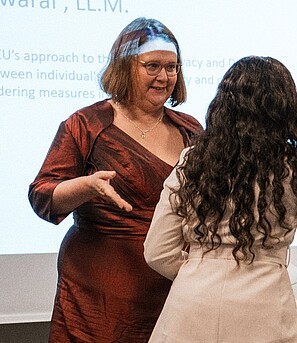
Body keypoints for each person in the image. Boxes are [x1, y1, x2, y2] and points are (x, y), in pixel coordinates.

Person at [143, 55, 297, 343]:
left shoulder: (192, 160)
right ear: (285, 109)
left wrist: (200, 270)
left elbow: (157, 252)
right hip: (262, 312)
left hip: (190, 309)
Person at [28, 17, 203, 342]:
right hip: (99, 299)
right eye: (152, 66)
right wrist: (84, 187)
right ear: (125, 67)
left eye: (172, 67)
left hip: (173, 290)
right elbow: (42, 196)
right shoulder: (86, 125)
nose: (163, 77)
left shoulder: (190, 129)